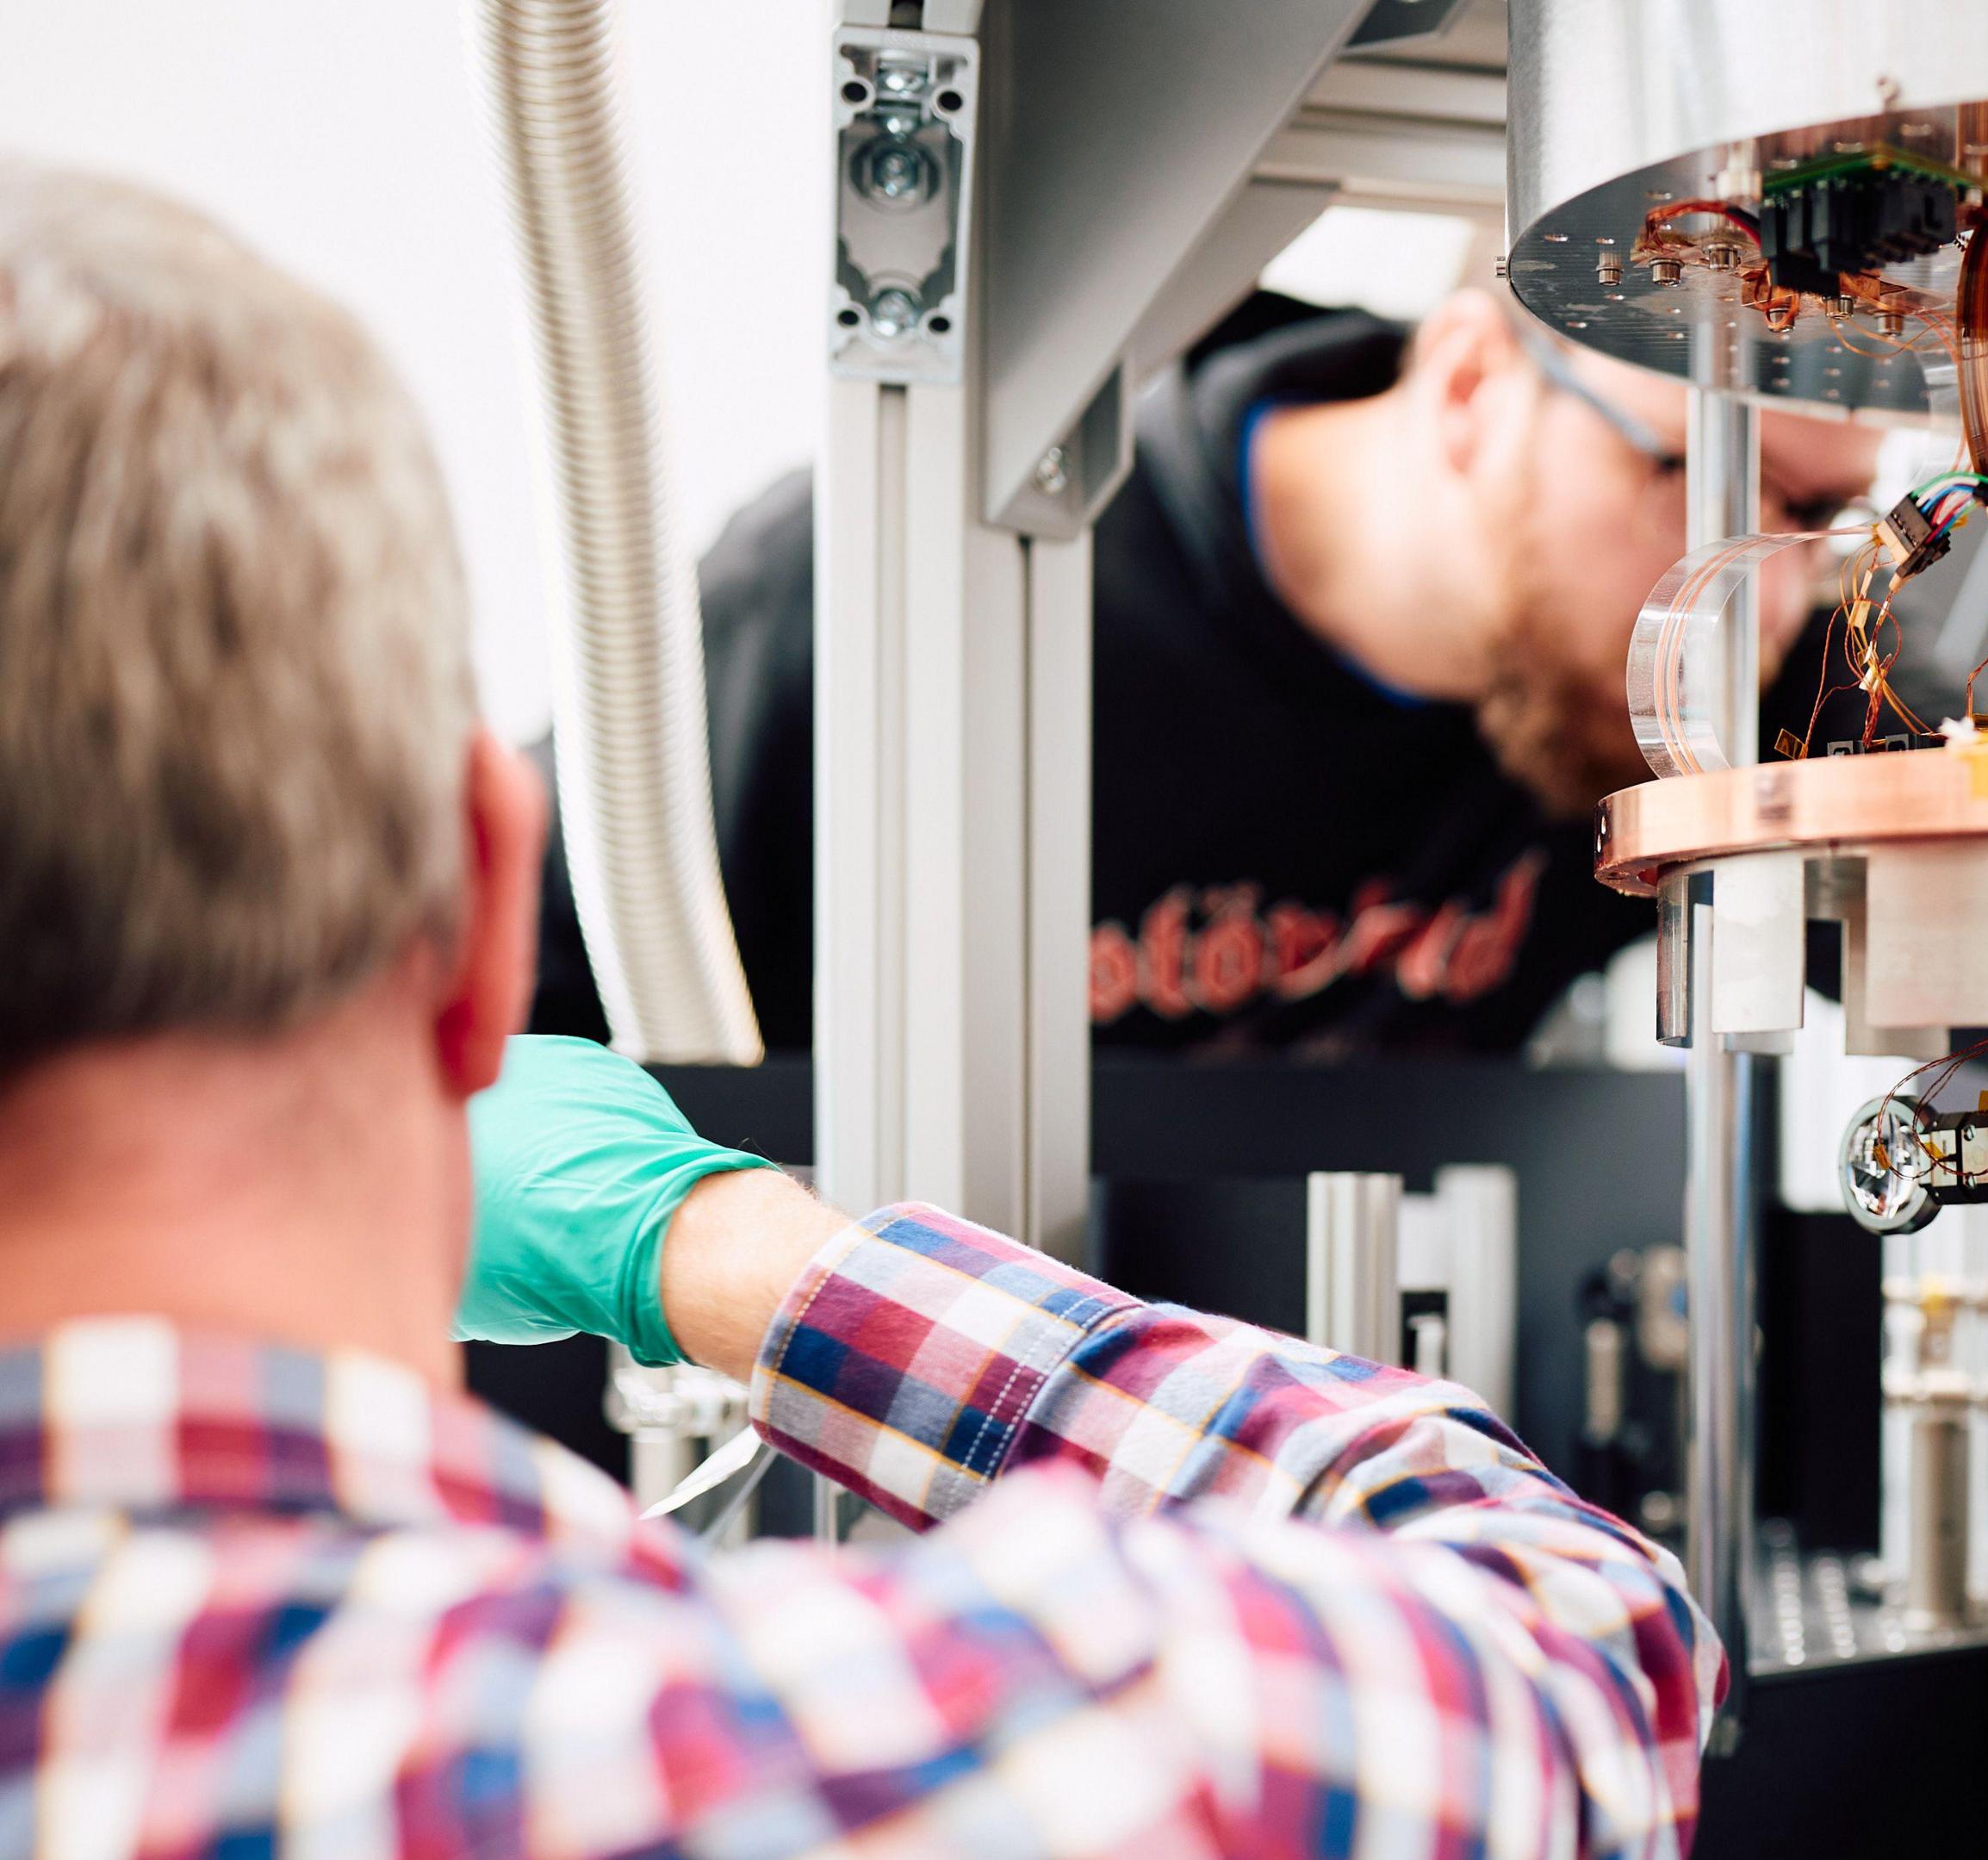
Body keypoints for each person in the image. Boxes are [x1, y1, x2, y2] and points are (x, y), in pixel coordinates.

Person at [0, 165, 1708, 1857]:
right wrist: (742, 1260)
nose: (1742, 607)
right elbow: (1578, 1642)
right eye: (1690, 481)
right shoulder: (703, 1762)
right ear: (475, 924)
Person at [526, 291, 1886, 1055]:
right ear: (1473, 384)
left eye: (1810, 526)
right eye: (1704, 483)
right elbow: (469, 1039)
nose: (1758, 602)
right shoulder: (873, 600)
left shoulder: (1677, 694)